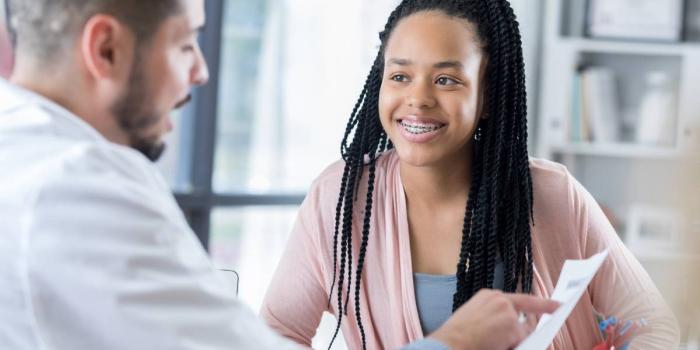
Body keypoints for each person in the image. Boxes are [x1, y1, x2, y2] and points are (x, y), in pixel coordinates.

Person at [0, 0, 558, 349]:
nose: (202, 70)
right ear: (106, 48)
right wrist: (454, 342)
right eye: (185, 42)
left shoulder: (23, 153)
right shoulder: (79, 189)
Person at [260, 0, 680, 349]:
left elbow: (654, 327)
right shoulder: (338, 197)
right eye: (400, 75)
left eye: (446, 79)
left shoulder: (553, 194)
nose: (418, 99)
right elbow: (275, 335)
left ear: (487, 97)